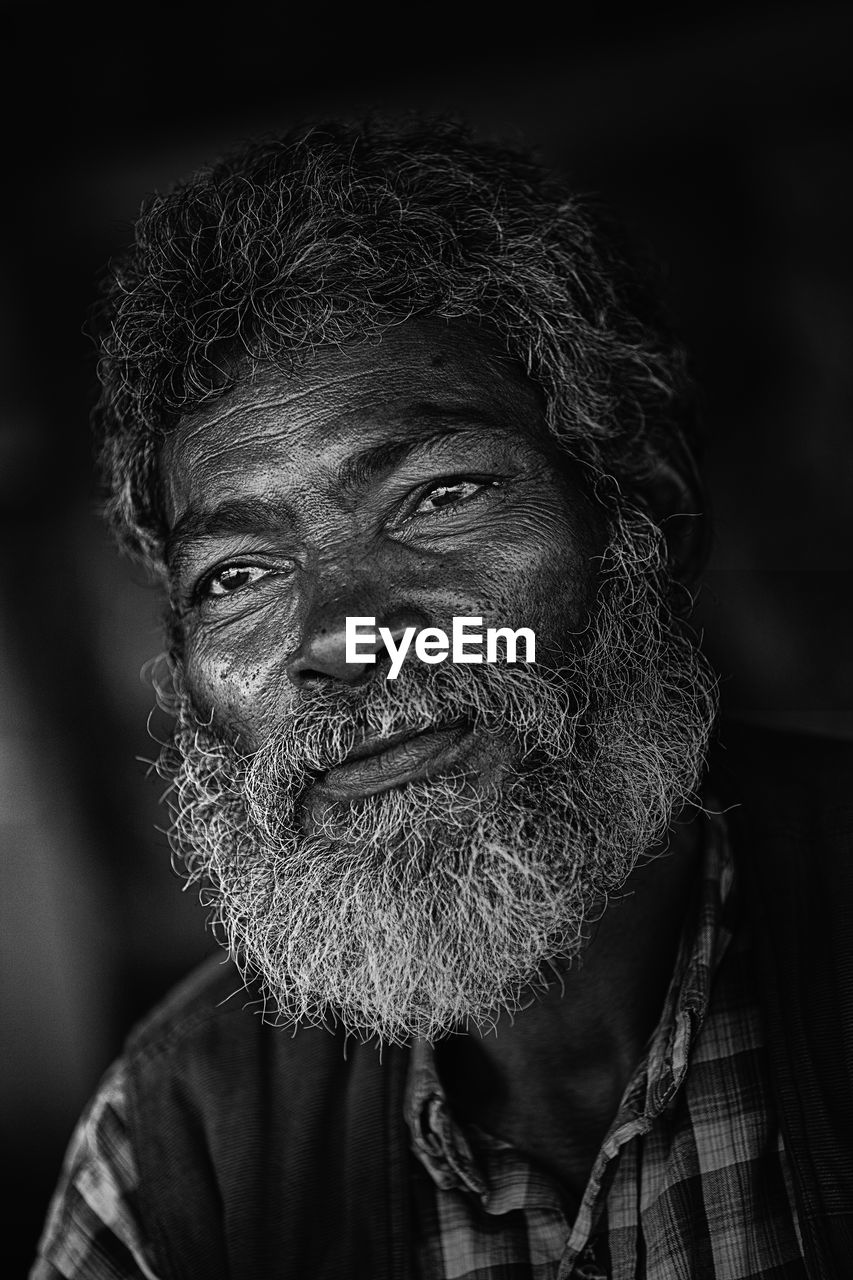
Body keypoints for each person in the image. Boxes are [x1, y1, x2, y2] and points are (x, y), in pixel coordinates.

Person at [31, 117, 853, 1280]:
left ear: (649, 512)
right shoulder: (176, 1154)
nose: (341, 639)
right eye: (240, 575)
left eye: (434, 496)